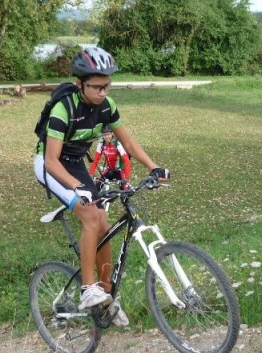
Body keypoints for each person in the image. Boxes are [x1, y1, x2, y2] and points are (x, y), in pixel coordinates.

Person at [33, 46, 170, 327]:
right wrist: (76, 187)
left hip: (75, 163)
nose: (103, 92)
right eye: (97, 87)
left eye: (107, 85)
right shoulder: (64, 108)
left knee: (105, 225)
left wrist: (153, 166)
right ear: (80, 84)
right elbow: (50, 161)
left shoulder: (107, 106)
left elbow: (128, 143)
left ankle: (105, 296)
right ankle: (87, 290)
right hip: (51, 165)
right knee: (92, 216)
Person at [89, 124, 131, 190]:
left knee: (125, 191)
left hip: (119, 171)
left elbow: (126, 160)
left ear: (112, 134)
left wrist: (126, 177)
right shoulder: (101, 143)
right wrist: (91, 173)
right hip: (109, 169)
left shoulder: (117, 144)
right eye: (104, 135)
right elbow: (95, 159)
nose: (107, 137)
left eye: (108, 134)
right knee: (96, 187)